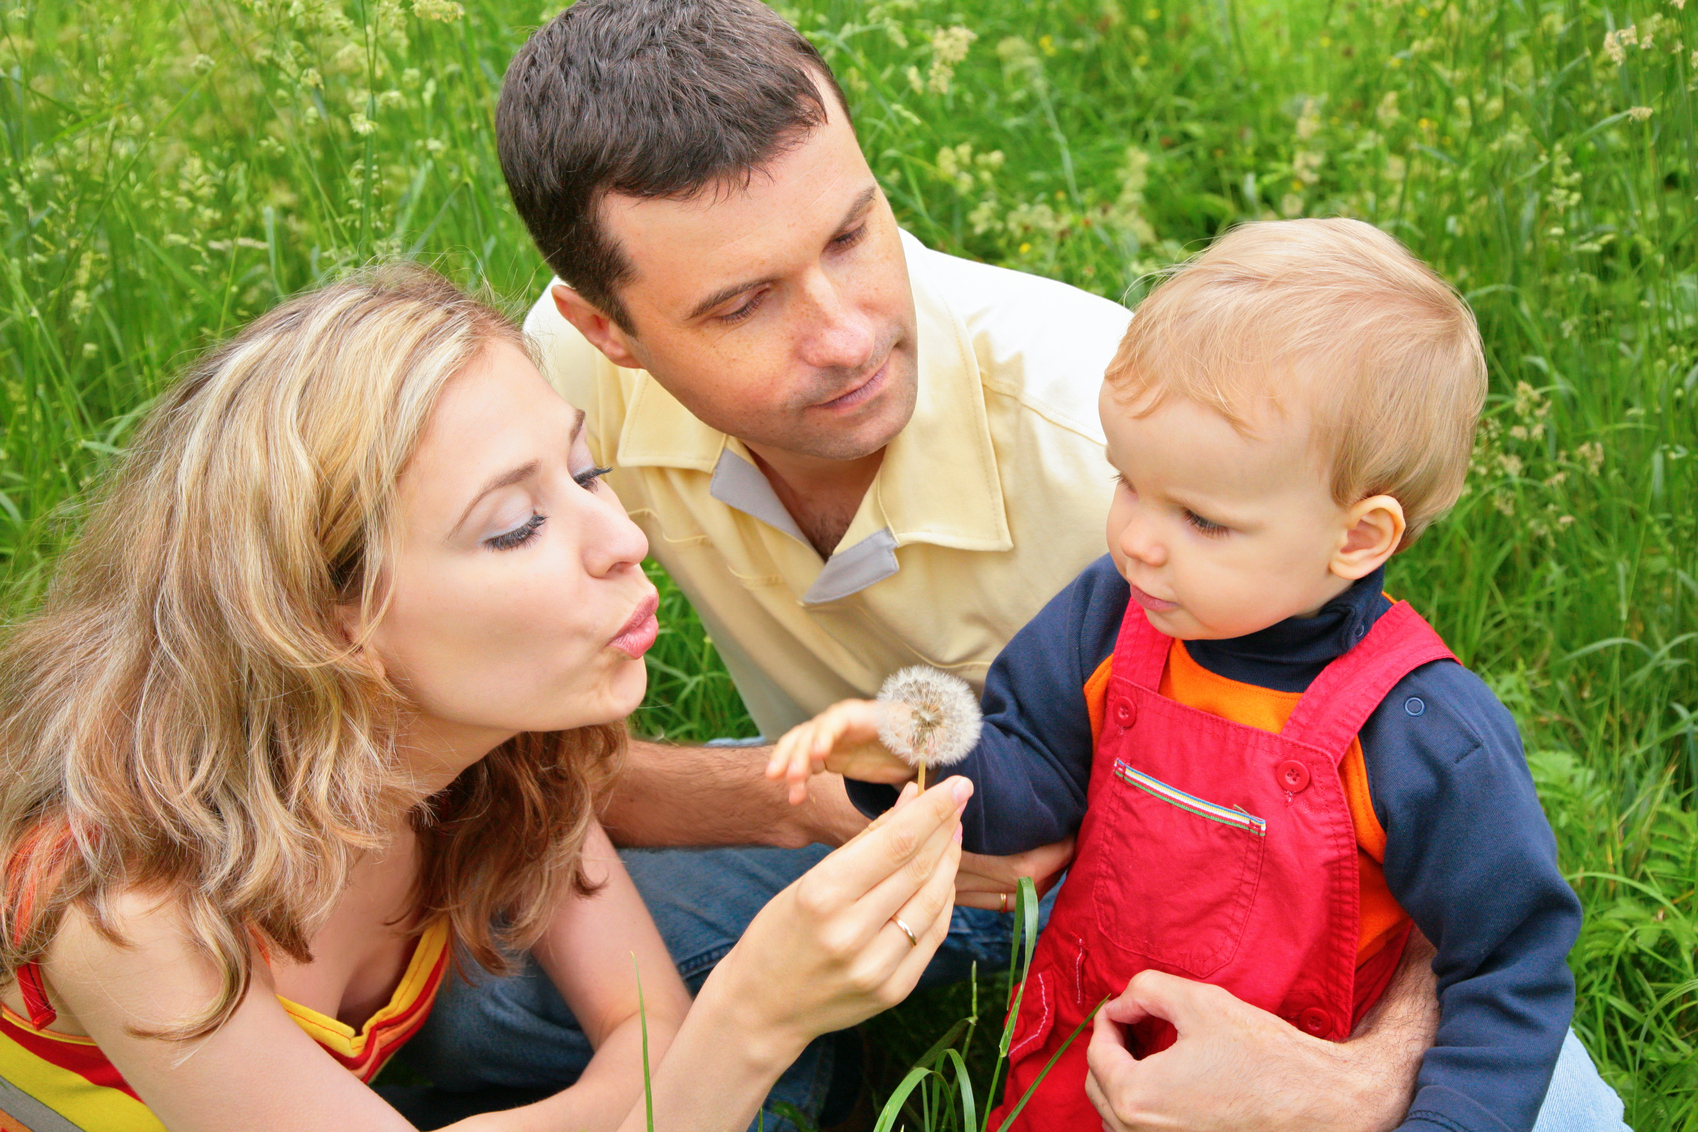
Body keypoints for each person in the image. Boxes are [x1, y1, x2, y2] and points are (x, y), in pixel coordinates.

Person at [433, 0, 1631, 1128]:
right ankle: (800, 1052)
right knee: (483, 1009)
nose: (848, 333)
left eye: (854, 232)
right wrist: (824, 788)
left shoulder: (1140, 435)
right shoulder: (563, 379)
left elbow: (1472, 879)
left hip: (1237, 900)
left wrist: (1361, 1084)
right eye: (742, 304)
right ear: (609, 332)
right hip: (918, 808)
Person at [0, 265, 971, 1132]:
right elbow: (670, 1066)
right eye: (514, 525)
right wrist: (758, 1014)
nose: (620, 538)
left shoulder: (499, 747)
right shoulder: (130, 904)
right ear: (326, 628)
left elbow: (648, 1034)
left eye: (584, 469)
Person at [769, 219, 1586, 1131]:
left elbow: (1507, 964)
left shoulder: (1423, 734)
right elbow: (1034, 782)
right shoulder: (1111, 618)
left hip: (1271, 1101)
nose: (1135, 539)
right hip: (1084, 1066)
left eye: (1201, 519)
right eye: (1128, 482)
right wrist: (915, 758)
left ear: (1358, 537)